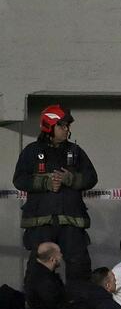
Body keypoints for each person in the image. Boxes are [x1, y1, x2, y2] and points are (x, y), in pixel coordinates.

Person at [13, 104, 98, 281]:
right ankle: (39, 299)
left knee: (79, 267)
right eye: (62, 125)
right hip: (41, 224)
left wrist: (71, 179)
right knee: (38, 269)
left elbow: (91, 178)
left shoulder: (75, 152)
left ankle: (77, 299)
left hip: (71, 223)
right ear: (49, 126)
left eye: (68, 126)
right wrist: (46, 182)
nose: (66, 129)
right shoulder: (31, 151)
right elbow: (19, 179)